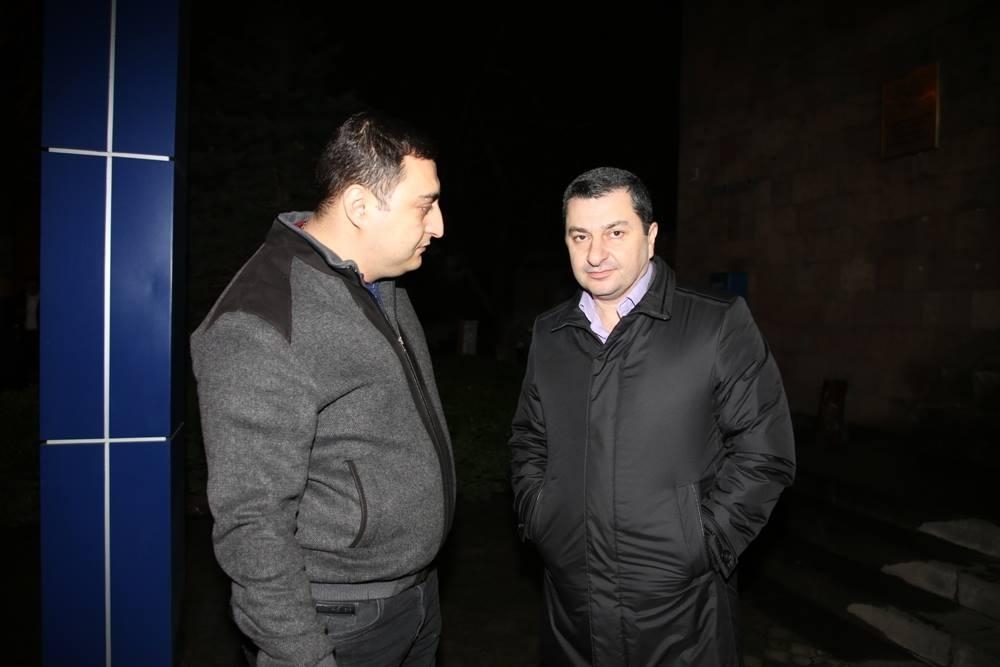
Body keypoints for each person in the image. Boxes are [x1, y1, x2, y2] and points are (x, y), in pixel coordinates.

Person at [190, 109, 455, 667]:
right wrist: (302, 654)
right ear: (360, 206)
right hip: (340, 621)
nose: (438, 226)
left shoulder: (381, 283)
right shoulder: (260, 321)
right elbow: (252, 522)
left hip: (416, 597)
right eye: (424, 205)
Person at [509, 166, 796, 666]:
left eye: (615, 233)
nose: (595, 254)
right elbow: (529, 438)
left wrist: (703, 543)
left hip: (684, 614)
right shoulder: (549, 334)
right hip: (573, 611)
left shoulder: (715, 322)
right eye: (580, 236)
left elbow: (764, 453)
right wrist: (540, 514)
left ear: (651, 235)